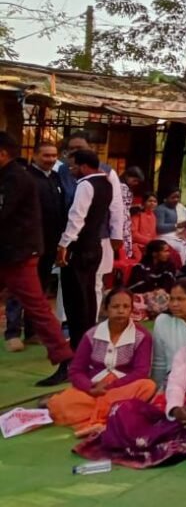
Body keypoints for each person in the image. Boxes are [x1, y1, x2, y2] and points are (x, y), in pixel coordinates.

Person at [74, 299, 186, 468]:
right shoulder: (185, 352)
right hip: (181, 411)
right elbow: (175, 385)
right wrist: (175, 410)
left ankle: (147, 439)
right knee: (121, 408)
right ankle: (147, 437)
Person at [0, 132, 75, 385]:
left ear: (2, 153)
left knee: (37, 307)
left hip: (18, 254)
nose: (51, 159)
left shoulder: (17, 179)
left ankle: (65, 359)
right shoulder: (14, 176)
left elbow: (4, 213)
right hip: (12, 252)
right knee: (37, 306)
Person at [46, 288, 156, 437]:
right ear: (105, 308)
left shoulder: (142, 336)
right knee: (60, 405)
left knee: (147, 386)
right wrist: (90, 387)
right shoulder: (91, 335)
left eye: (126, 307)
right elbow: (76, 370)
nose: (121, 311)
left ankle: (96, 418)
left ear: (131, 309)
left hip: (122, 387)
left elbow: (141, 371)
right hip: (95, 388)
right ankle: (109, 416)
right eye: (115, 306)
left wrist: (111, 386)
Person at [5, 138, 65, 352]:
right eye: (46, 155)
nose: (50, 159)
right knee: (18, 290)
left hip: (48, 242)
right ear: (35, 155)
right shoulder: (24, 178)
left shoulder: (56, 178)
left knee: (39, 289)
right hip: (23, 245)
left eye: (53, 155)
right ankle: (13, 332)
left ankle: (32, 332)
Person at [58, 148, 116, 350]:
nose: (71, 170)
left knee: (75, 297)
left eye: (73, 166)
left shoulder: (85, 184)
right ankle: (90, 337)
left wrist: (64, 244)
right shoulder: (107, 183)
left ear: (83, 167)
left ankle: (78, 342)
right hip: (95, 245)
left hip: (79, 247)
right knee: (89, 293)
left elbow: (77, 217)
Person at [127, 239, 177, 318]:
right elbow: (135, 286)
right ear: (154, 253)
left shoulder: (170, 266)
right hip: (142, 296)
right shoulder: (139, 267)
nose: (168, 254)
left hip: (161, 295)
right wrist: (151, 292)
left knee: (164, 298)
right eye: (165, 251)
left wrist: (160, 290)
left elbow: (169, 283)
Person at [130, 192, 159, 258]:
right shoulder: (137, 214)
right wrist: (150, 241)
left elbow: (154, 234)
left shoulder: (153, 216)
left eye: (155, 201)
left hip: (150, 245)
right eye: (150, 201)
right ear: (144, 203)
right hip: (137, 245)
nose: (152, 203)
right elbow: (134, 235)